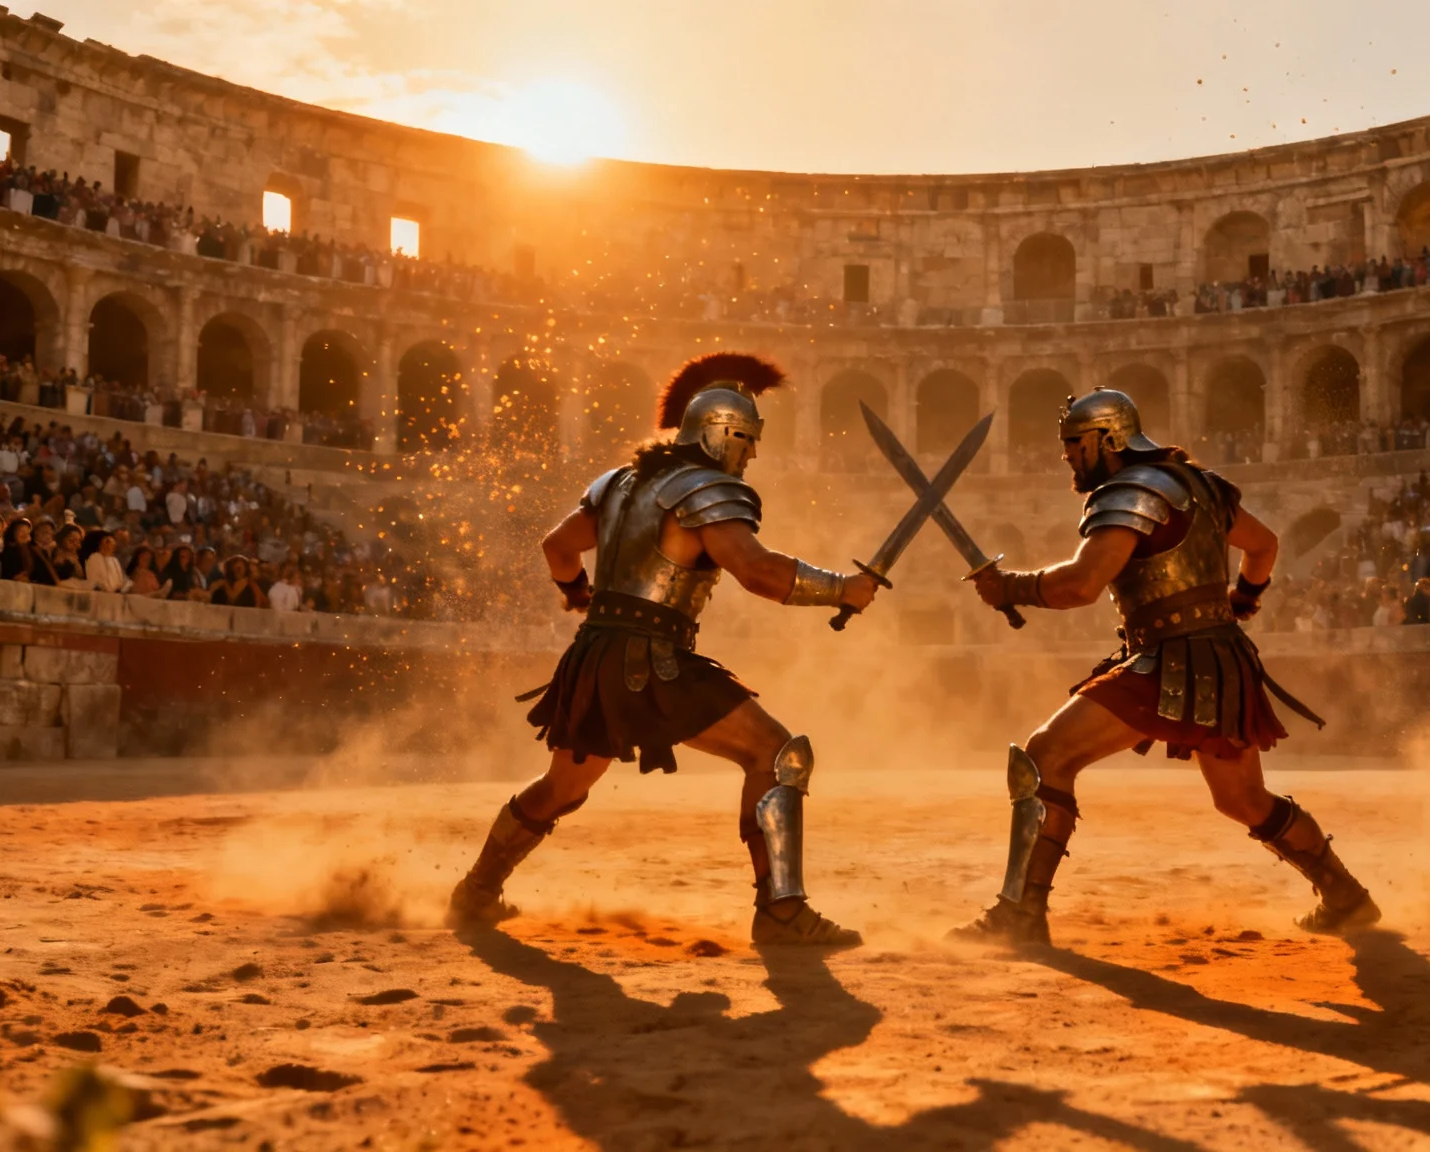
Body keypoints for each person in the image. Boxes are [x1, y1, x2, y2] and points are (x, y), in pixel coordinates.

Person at [447, 354, 879, 947]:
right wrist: (842, 590)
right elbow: (756, 572)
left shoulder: (621, 484)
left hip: (595, 654)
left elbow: (557, 547)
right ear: (720, 434)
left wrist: (580, 596)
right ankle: (781, 912)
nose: (751, 455)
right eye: (746, 440)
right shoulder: (706, 488)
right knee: (775, 755)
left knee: (562, 788)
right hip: (654, 662)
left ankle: (474, 893)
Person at [950, 388, 1375, 947]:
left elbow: (1082, 583)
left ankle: (1021, 914)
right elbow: (1264, 546)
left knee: (1047, 756)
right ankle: (1346, 896)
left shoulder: (1130, 492)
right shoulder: (1199, 485)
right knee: (1243, 800)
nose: (1067, 456)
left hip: (1167, 659)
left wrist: (1012, 587)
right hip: (1220, 657)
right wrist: (1242, 601)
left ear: (1108, 440)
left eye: (1075, 445)